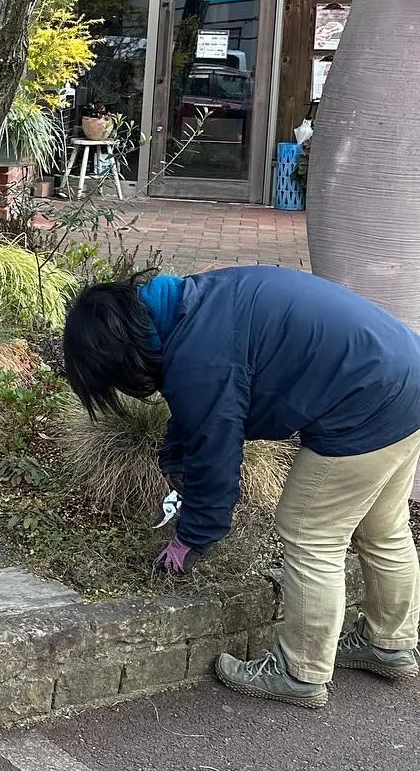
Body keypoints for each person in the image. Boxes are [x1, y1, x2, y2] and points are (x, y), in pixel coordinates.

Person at [63, 266, 420, 708]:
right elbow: (202, 409)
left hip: (366, 405)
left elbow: (217, 453)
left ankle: (300, 672)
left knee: (310, 535)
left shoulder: (199, 355)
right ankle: (392, 644)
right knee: (383, 527)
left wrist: (191, 539)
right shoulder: (189, 305)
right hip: (406, 375)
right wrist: (176, 456)